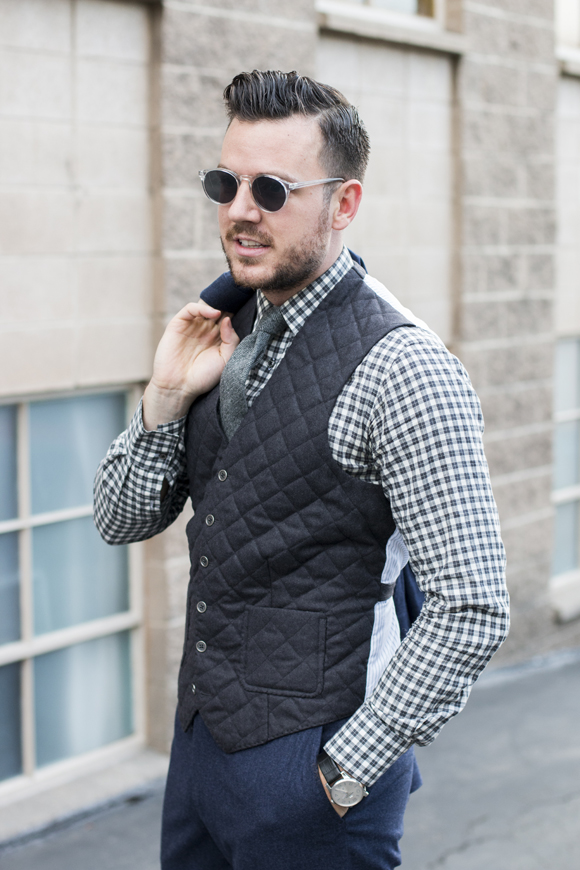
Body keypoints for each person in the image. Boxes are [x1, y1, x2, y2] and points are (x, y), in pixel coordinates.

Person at [94, 70, 509, 870]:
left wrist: (344, 774)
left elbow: (472, 607)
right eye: (227, 184)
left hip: (315, 772)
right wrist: (166, 395)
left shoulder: (405, 370)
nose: (240, 210)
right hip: (201, 753)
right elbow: (120, 518)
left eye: (273, 190)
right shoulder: (223, 328)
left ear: (344, 204)